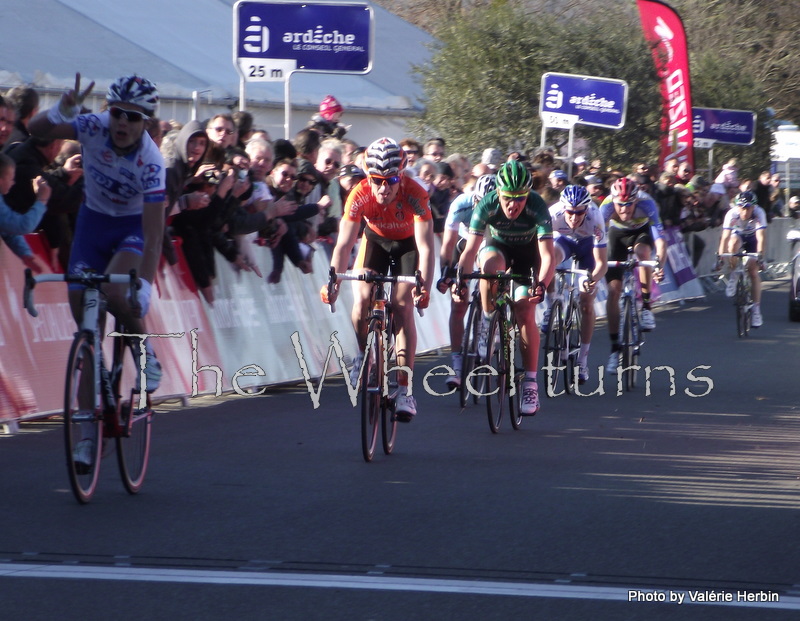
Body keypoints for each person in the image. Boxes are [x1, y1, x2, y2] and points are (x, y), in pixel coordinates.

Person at [29, 73, 166, 395]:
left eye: (133, 117)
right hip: (93, 223)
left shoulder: (152, 162)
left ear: (145, 123)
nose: (122, 122)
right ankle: (89, 422)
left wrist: (143, 286)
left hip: (131, 227)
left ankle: (145, 353)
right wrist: (58, 112)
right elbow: (37, 131)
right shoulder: (94, 126)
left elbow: (154, 233)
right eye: (117, 113)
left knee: (118, 294)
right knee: (84, 318)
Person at [321, 137, 434, 421]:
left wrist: (425, 286)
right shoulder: (359, 194)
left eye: (392, 179)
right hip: (375, 244)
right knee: (360, 299)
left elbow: (426, 246)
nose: (384, 188)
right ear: (367, 176)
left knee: (401, 304)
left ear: (402, 174)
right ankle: (362, 356)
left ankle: (406, 392)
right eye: (376, 179)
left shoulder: (416, 194)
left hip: (408, 246)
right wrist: (333, 281)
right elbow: (344, 244)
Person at [454, 160, 555, 416]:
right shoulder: (487, 204)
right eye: (508, 197)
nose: (514, 204)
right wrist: (460, 281)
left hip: (527, 256)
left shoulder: (537, 206)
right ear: (498, 193)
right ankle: (489, 321)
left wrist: (541, 284)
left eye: (520, 198)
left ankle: (530, 383)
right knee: (488, 266)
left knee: (524, 310)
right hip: (497, 248)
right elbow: (469, 251)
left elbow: (547, 255)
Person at [600, 177, 666, 374]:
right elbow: (597, 242)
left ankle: (646, 306)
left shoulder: (648, 204)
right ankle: (614, 350)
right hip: (616, 235)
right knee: (613, 291)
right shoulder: (605, 208)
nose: (624, 210)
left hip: (641, 233)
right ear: (613, 201)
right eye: (620, 205)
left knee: (642, 254)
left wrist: (658, 265)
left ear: (636, 201)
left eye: (629, 205)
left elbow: (661, 242)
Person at [437, 173, 496, 388]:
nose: (483, 206)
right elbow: (448, 245)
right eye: (480, 201)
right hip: (466, 244)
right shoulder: (460, 204)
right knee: (458, 302)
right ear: (474, 198)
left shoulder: (504, 206)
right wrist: (446, 273)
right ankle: (457, 366)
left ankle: (492, 323)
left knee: (494, 272)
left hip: (492, 242)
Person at [544, 185, 608, 383]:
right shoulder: (552, 215)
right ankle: (551, 303)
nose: (574, 217)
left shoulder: (595, 219)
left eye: (579, 212)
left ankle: (582, 360)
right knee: (550, 260)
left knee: (587, 303)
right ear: (563, 209)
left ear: (586, 210)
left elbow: (602, 264)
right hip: (563, 242)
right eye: (570, 212)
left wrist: (592, 279)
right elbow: (542, 254)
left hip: (588, 248)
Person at [717, 190, 767, 327]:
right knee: (732, 244)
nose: (745, 212)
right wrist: (720, 257)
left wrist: (760, 257)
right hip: (738, 236)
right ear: (737, 206)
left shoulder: (759, 213)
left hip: (753, 239)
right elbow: (725, 238)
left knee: (753, 272)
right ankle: (734, 274)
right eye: (742, 208)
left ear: (753, 207)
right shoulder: (731, 214)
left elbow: (761, 238)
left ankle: (756, 310)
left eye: (748, 208)